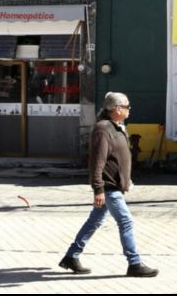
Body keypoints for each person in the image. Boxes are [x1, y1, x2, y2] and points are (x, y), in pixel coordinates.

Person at [59, 92, 159, 278]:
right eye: (127, 106)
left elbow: (119, 158)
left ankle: (71, 256)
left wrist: (126, 179)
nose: (130, 110)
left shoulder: (117, 127)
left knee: (94, 221)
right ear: (117, 109)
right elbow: (97, 161)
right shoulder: (103, 129)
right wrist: (98, 189)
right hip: (108, 187)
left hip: (114, 185)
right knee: (126, 221)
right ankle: (134, 263)